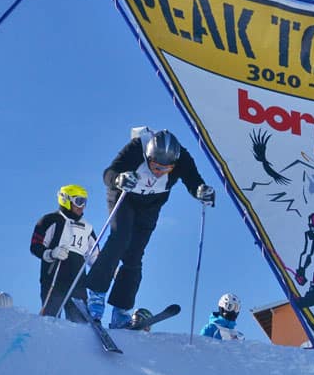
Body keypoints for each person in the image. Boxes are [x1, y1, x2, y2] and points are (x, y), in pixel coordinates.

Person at [84, 127, 216, 328]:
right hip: (124, 197)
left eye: (166, 169)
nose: (159, 172)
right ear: (148, 156)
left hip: (151, 205)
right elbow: (109, 173)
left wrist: (201, 191)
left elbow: (194, 180)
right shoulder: (137, 147)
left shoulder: (182, 158)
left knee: (135, 255)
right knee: (120, 239)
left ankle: (121, 309)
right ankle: (96, 294)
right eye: (155, 166)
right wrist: (118, 179)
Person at [30, 184, 98, 319]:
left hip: (77, 282)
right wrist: (50, 253)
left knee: (79, 321)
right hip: (54, 279)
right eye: (79, 201)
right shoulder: (50, 220)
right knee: (51, 317)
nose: (82, 206)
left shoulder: (87, 227)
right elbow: (35, 245)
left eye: (85, 202)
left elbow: (95, 256)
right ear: (66, 200)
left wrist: (110, 270)